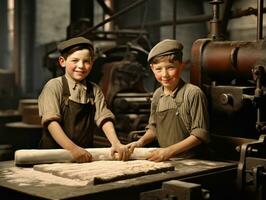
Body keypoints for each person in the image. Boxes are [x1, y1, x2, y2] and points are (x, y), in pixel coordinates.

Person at [38, 36, 130, 162]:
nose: (81, 66)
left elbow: (104, 118)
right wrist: (73, 149)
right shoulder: (54, 86)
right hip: (54, 156)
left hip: (84, 155)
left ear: (92, 64)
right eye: (75, 60)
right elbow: (51, 124)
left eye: (86, 61)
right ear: (62, 61)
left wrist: (116, 143)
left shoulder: (94, 90)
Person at [126, 39, 210, 162]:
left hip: (192, 160)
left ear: (181, 66)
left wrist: (168, 151)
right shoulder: (157, 95)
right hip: (166, 158)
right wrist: (139, 143)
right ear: (152, 69)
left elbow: (200, 135)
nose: (164, 74)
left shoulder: (192, 93)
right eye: (158, 69)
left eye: (170, 68)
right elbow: (154, 128)